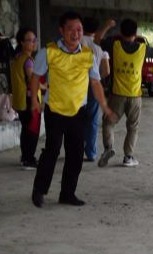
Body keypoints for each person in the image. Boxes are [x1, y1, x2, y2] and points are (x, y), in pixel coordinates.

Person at [29, 11, 117, 208]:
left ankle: (67, 193)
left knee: (76, 153)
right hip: (55, 110)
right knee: (51, 150)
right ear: (62, 31)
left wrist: (104, 106)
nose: (76, 33)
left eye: (79, 29)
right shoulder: (48, 52)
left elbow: (95, 82)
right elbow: (35, 77)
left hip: (78, 111)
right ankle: (39, 190)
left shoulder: (88, 55)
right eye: (71, 29)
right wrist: (34, 100)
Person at [98, 17, 153, 168]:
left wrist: (107, 25)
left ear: (121, 32)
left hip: (117, 94)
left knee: (108, 123)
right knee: (133, 127)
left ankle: (108, 148)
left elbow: (97, 39)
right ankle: (128, 157)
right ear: (136, 33)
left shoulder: (114, 45)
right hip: (135, 95)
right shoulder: (143, 48)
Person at [10, 27, 40, 170]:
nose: (33, 43)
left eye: (34, 40)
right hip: (29, 100)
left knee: (26, 129)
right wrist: (46, 86)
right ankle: (29, 159)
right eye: (29, 40)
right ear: (22, 42)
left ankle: (25, 157)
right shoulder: (28, 61)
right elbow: (32, 80)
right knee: (32, 131)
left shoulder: (17, 57)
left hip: (19, 100)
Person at [81, 17, 109, 162]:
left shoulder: (76, 42)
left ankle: (76, 150)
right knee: (92, 120)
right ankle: (91, 153)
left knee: (77, 118)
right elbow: (106, 71)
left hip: (77, 86)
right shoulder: (99, 46)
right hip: (94, 86)